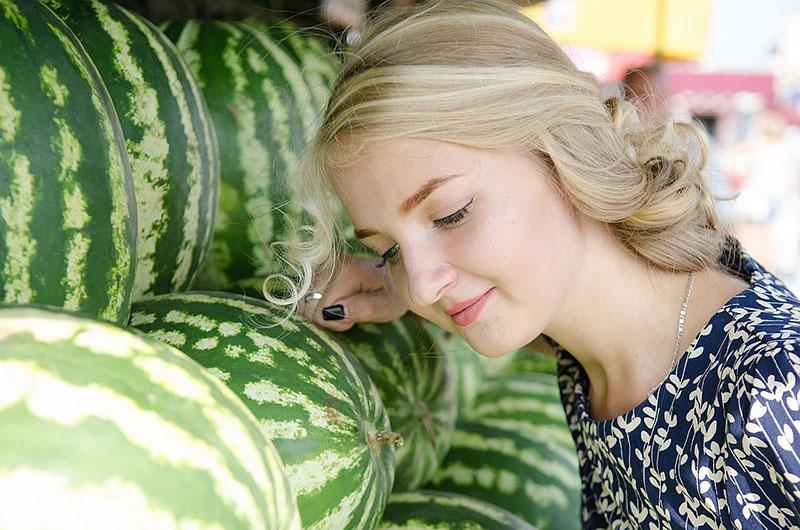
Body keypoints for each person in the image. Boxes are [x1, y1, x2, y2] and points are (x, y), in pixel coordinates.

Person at [267, 0, 800, 527]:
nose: (424, 288)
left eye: (452, 214)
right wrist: (389, 280)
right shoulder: (594, 350)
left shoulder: (774, 385)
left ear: (562, 152)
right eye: (389, 248)